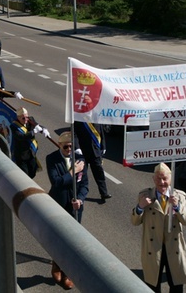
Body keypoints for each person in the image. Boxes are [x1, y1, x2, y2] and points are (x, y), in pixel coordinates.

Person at [131, 162, 186, 292]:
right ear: (154, 179)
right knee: (153, 285)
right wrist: (140, 207)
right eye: (158, 179)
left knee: (176, 285)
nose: (162, 182)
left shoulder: (179, 196)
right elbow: (135, 221)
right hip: (154, 248)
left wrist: (177, 207)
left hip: (173, 247)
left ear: (171, 179)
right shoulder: (145, 196)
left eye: (165, 179)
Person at [46, 131, 88, 290]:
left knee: (72, 240)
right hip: (58, 203)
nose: (69, 149)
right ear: (59, 145)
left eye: (71, 146)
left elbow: (85, 184)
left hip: (75, 207)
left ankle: (68, 271)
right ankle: (56, 264)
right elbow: (56, 182)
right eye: (66, 147)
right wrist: (73, 172)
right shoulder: (52, 159)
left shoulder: (81, 161)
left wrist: (81, 199)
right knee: (59, 237)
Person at [73, 121, 111, 201]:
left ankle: (104, 193)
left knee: (99, 173)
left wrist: (103, 146)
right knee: (82, 175)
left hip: (95, 152)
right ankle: (78, 195)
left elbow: (101, 133)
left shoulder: (96, 119)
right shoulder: (79, 120)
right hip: (83, 152)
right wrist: (77, 147)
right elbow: (74, 134)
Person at [11, 107, 49, 179]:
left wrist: (44, 129)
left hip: (31, 152)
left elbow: (37, 125)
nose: (26, 119)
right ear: (18, 118)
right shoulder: (14, 126)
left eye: (26, 117)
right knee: (25, 175)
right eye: (23, 118)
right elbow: (21, 137)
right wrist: (33, 132)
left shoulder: (30, 119)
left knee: (32, 172)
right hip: (21, 155)